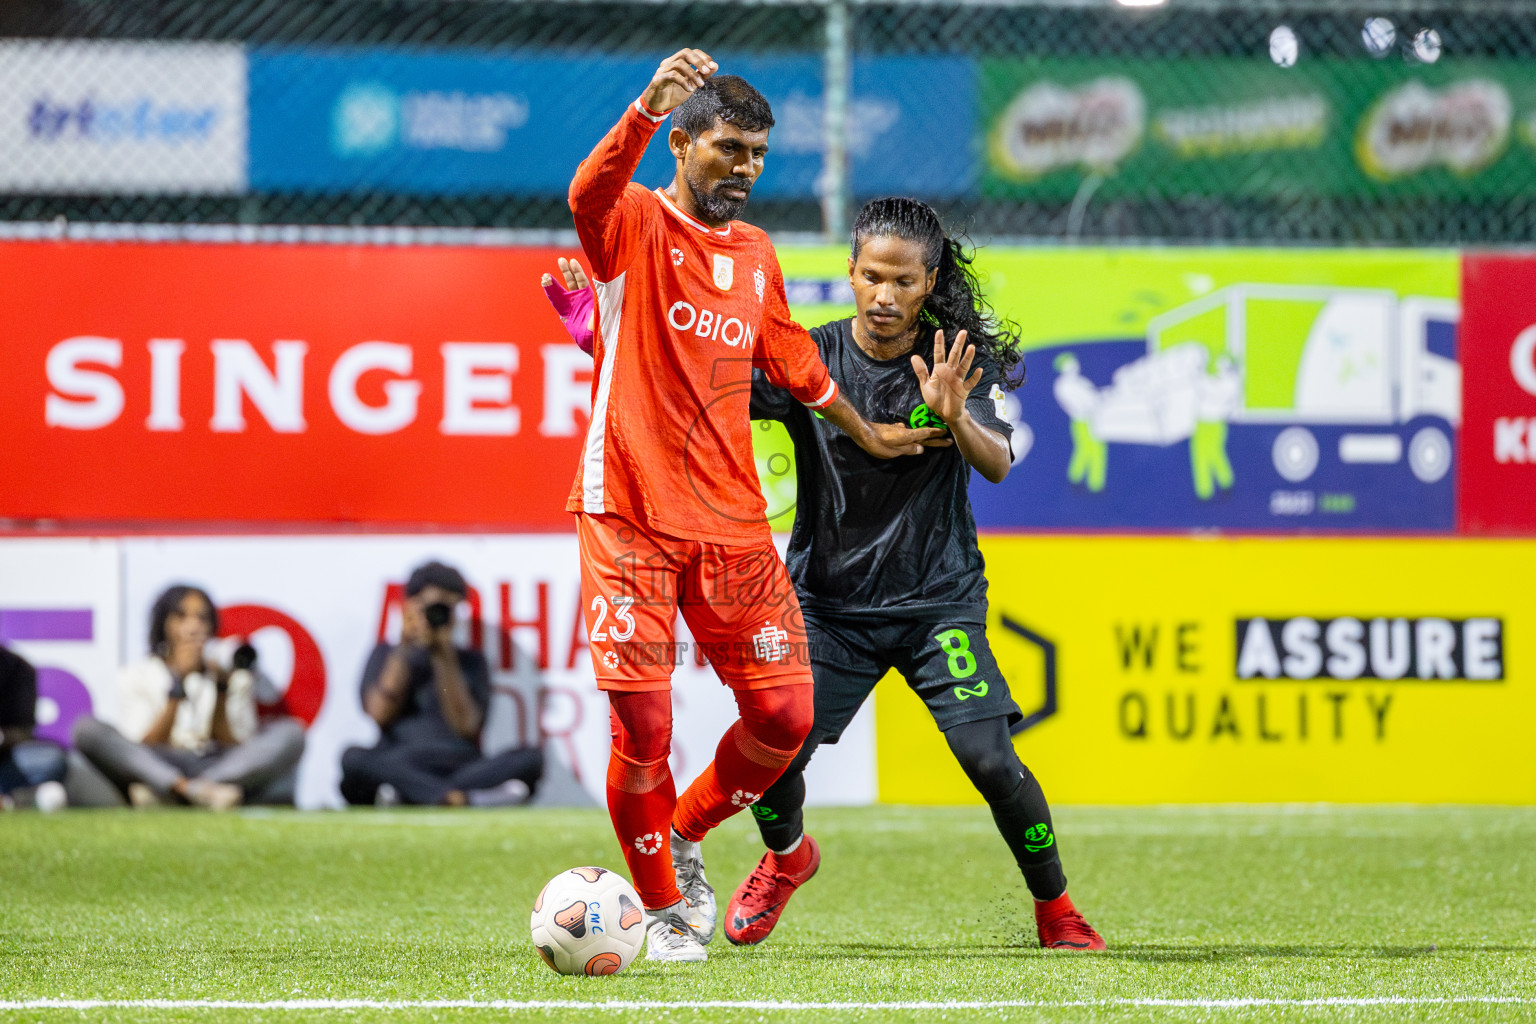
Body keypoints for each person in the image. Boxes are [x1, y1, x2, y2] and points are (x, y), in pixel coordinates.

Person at [545, 197, 1105, 952]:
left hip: (936, 604)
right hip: (830, 605)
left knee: (989, 759)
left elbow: (998, 462)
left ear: (929, 281)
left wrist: (956, 414)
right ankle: (786, 860)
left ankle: (1057, 909)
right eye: (871, 276)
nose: (884, 295)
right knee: (776, 751)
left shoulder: (953, 357)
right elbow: (694, 389)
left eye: (903, 281)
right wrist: (602, 338)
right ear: (850, 272)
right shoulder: (808, 358)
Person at [565, 49, 940, 963]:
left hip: (731, 520)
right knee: (644, 728)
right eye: (729, 148)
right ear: (683, 143)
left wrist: (866, 430)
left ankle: (684, 833)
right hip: (628, 512)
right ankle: (663, 913)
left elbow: (793, 360)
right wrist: (643, 109)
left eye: (759, 153)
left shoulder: (756, 254)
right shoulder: (636, 221)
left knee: (784, 717)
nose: (746, 167)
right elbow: (586, 197)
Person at [72, 585, 305, 810]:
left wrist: (221, 687)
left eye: (202, 618)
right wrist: (178, 683)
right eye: (181, 617)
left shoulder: (233, 675)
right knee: (87, 729)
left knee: (292, 733)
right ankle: (182, 788)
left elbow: (235, 744)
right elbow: (143, 745)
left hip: (215, 762)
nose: (193, 627)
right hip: (161, 761)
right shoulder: (137, 674)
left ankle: (186, 791)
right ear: (163, 623)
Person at [339, 561, 544, 808]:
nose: (441, 615)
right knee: (354, 759)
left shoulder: (471, 660)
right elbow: (379, 714)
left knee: (530, 758)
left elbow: (467, 726)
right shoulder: (387, 654)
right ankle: (457, 798)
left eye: (449, 608)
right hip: (402, 761)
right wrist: (405, 646)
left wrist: (443, 653)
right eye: (433, 606)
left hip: (460, 764)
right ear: (410, 606)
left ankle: (413, 795)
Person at [0, 643, 68, 811]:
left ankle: (9, 800)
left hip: (5, 761)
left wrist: (2, 737)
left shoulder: (17, 668)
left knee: (51, 759)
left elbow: (23, 732)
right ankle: (11, 800)